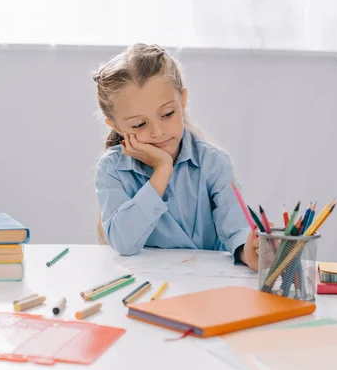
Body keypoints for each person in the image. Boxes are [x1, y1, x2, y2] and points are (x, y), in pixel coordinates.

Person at [92, 43, 259, 270]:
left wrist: (248, 252)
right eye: (139, 124)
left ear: (182, 101)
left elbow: (237, 228)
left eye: (167, 114)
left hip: (208, 287)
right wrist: (162, 170)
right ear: (116, 126)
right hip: (149, 287)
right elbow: (124, 243)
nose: (157, 132)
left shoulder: (213, 163)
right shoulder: (112, 169)